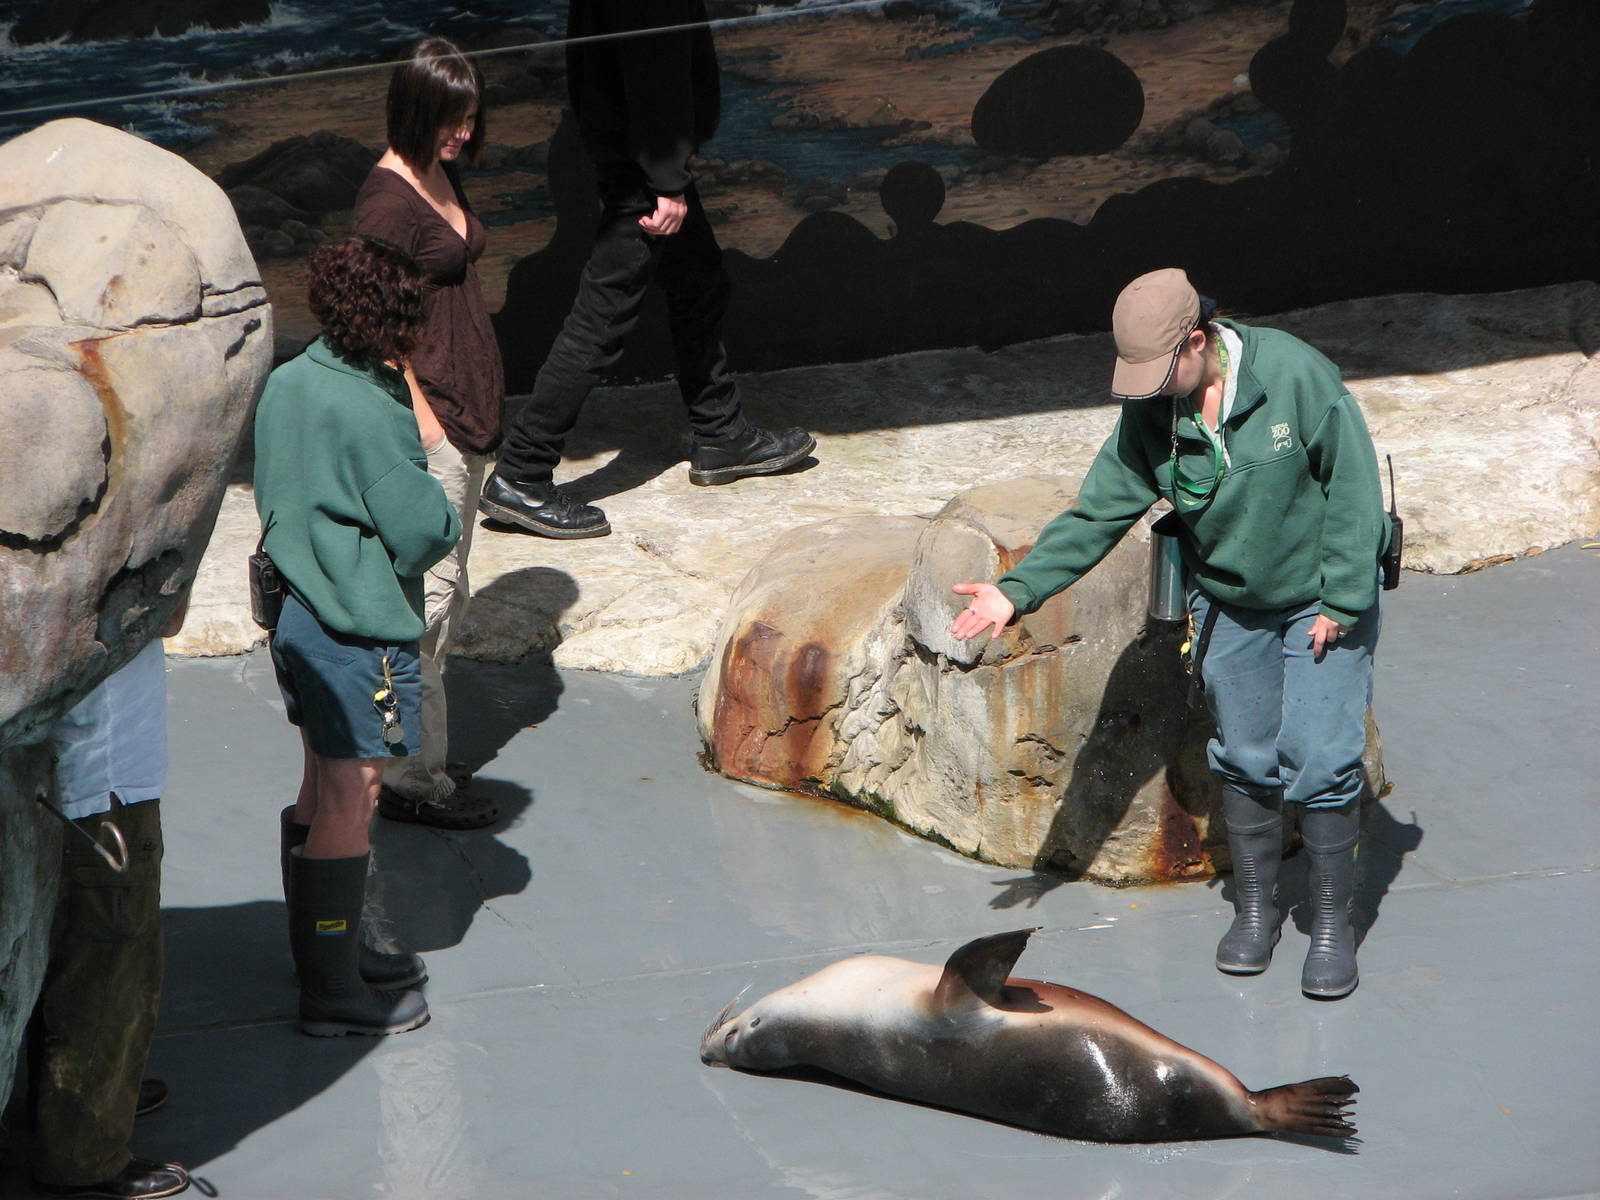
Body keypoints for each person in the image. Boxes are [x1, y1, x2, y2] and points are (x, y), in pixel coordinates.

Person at [951, 267, 1388, 1000]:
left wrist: (1342, 601)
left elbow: (1353, 490)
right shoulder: (1157, 410)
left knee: (1321, 755)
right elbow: (1098, 511)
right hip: (1230, 602)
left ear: (1198, 341)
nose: (1150, 389)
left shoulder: (1295, 376)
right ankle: (1255, 909)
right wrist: (1015, 591)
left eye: (1162, 370)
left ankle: (1331, 922)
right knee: (1245, 754)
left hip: (1318, 602)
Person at [479, 0, 816, 539]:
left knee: (699, 279)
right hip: (643, 170)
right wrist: (666, 179)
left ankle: (720, 433)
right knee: (603, 316)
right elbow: (655, 69)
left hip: (633, 158)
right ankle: (522, 471)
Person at [254, 235, 461, 1037]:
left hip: (298, 615)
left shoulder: (290, 379)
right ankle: (332, 993)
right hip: (354, 625)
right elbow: (424, 532)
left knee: (318, 786)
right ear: (390, 318)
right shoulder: (370, 409)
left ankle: (325, 959)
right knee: (356, 797)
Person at [351, 37, 502, 831]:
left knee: (447, 598)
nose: (465, 138)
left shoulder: (439, 172)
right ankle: (411, 778)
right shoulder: (384, 205)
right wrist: (431, 433)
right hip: (432, 432)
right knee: (424, 604)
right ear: (417, 113)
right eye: (452, 123)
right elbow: (373, 329)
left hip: (468, 418)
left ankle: (423, 748)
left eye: (471, 122)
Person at [29, 604, 191, 1200]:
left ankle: (61, 1103)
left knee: (44, 951)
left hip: (51, 768)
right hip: (101, 778)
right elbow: (168, 612)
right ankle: (83, 1147)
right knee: (110, 969)